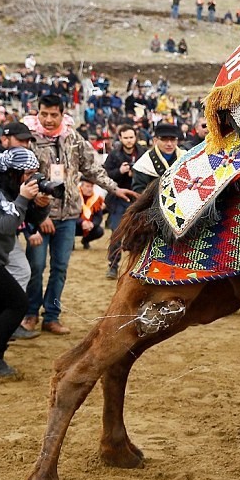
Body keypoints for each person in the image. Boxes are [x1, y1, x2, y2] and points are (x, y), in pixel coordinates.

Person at [20, 95, 137, 336]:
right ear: (38, 113)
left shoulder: (74, 139)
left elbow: (92, 169)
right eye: (44, 114)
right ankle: (30, 313)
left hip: (69, 215)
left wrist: (114, 187)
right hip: (40, 216)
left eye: (54, 114)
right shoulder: (29, 141)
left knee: (60, 268)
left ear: (63, 115)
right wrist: (38, 214)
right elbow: (23, 177)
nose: (49, 119)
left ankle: (51, 316)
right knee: (36, 266)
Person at [0, 149, 41, 377]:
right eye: (29, 173)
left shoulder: (10, 190)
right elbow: (5, 225)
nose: (32, 178)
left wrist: (40, 204)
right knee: (18, 303)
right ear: (14, 173)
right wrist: (23, 199)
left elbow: (31, 220)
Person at [102, 124, 144, 278]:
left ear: (135, 137)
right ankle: (113, 266)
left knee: (140, 233)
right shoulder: (113, 155)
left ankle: (137, 266)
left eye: (131, 137)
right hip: (118, 198)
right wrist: (119, 171)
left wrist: (136, 174)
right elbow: (105, 176)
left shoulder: (143, 154)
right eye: (125, 137)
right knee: (117, 232)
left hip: (139, 199)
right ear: (120, 138)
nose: (128, 140)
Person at [131, 123, 186, 193]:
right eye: (164, 139)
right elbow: (138, 191)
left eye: (173, 139)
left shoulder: (185, 157)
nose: (169, 144)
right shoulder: (145, 163)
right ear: (155, 141)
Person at [74, 181, 105, 249]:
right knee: (69, 226)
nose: (90, 189)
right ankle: (71, 243)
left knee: (99, 231)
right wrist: (82, 222)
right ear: (81, 187)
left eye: (91, 186)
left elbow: (98, 216)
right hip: (75, 224)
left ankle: (85, 241)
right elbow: (70, 215)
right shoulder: (74, 197)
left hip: (89, 226)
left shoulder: (96, 199)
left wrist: (93, 224)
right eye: (87, 186)